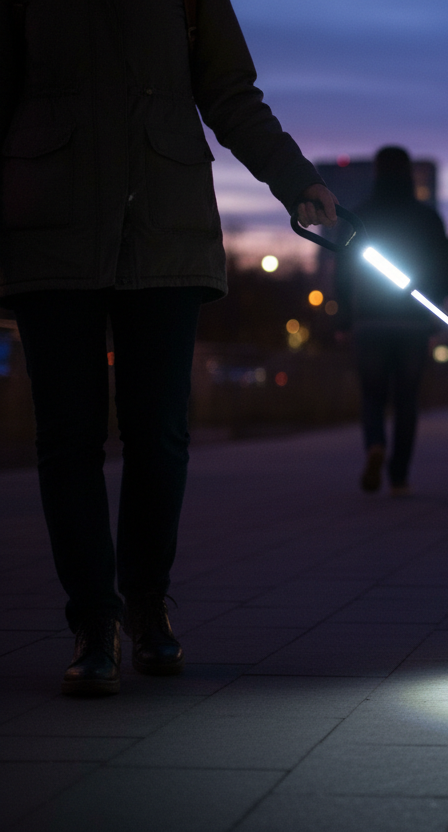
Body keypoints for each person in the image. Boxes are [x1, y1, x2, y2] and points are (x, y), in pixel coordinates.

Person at [0, 0, 338, 696]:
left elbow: (229, 90)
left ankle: (147, 604)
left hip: (167, 228)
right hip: (48, 229)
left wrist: (296, 180)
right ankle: (94, 622)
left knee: (159, 433)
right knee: (68, 437)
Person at [334, 146, 448, 497]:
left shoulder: (360, 216)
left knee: (372, 395)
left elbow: (343, 270)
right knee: (406, 400)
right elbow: (443, 270)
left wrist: (343, 317)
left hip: (370, 320)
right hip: (412, 322)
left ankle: (374, 445)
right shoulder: (428, 219)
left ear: (377, 173)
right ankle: (399, 476)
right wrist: (434, 310)